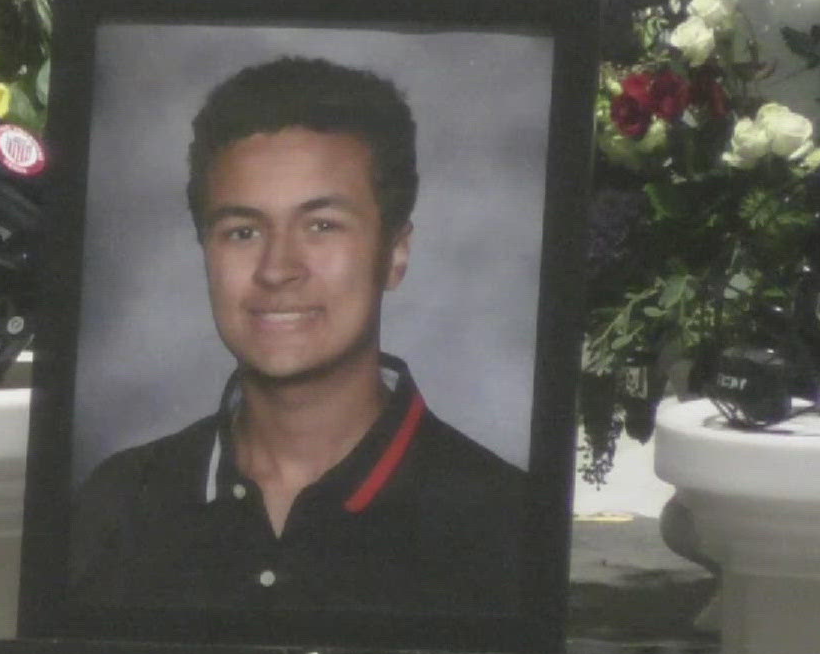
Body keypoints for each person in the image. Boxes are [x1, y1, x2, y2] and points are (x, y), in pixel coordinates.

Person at [69, 56, 526, 616]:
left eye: (321, 226)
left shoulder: (503, 520)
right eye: (242, 232)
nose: (277, 268)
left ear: (395, 253)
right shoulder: (120, 504)